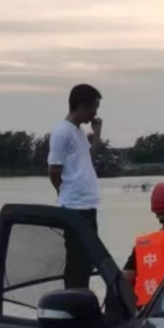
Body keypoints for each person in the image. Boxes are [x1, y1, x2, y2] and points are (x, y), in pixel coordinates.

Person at [48, 83, 104, 288]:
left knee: (86, 260)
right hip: (74, 207)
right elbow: (54, 170)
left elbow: (88, 158)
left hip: (87, 205)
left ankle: (81, 296)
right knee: (76, 261)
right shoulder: (62, 131)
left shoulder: (78, 132)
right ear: (82, 105)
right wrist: (64, 193)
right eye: (94, 107)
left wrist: (97, 134)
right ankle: (73, 297)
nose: (95, 113)